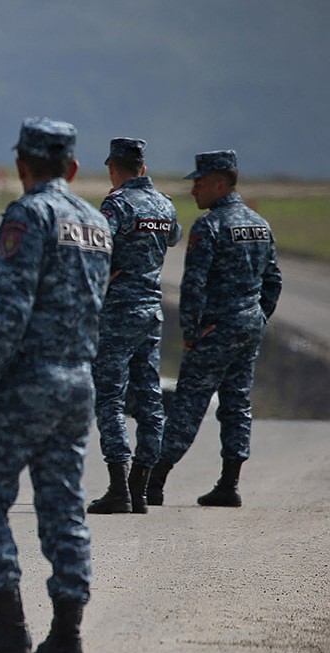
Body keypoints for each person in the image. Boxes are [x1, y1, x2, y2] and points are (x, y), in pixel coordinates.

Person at [0, 117, 110, 653]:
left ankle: (9, 626)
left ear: (21, 165)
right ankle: (67, 638)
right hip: (77, 381)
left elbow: (13, 315)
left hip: (25, 383)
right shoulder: (94, 222)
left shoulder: (27, 214)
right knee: (64, 507)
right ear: (72, 168)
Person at [147, 150, 282, 508]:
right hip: (248, 326)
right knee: (237, 403)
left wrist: (191, 333)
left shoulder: (210, 227)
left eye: (200, 183)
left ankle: (154, 480)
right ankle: (229, 483)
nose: (194, 191)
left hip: (215, 329)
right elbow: (273, 281)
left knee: (189, 403)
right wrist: (256, 315)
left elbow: (193, 287)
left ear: (220, 183)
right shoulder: (260, 224)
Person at [87, 138, 181, 516]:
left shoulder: (117, 204)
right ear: (143, 167)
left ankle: (117, 487)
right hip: (151, 312)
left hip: (119, 311)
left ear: (113, 167)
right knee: (149, 397)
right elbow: (172, 237)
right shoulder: (164, 203)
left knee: (109, 396)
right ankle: (139, 487)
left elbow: (97, 248)